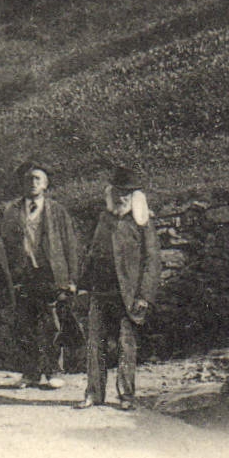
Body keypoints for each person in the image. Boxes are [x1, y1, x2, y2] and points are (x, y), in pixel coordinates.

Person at [77, 166, 160, 411]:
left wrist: (144, 295)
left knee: (126, 345)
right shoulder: (104, 219)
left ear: (135, 196)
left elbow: (152, 260)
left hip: (128, 295)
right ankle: (93, 393)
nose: (121, 197)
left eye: (127, 193)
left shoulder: (142, 222)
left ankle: (126, 395)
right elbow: (92, 254)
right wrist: (83, 286)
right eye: (117, 192)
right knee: (95, 344)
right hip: (101, 292)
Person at [0, 161, 80, 390]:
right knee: (25, 324)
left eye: (37, 179)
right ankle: (30, 372)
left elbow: (70, 244)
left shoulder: (57, 211)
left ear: (45, 184)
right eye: (29, 179)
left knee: (52, 322)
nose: (32, 183)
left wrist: (71, 278)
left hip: (50, 273)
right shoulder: (12, 211)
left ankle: (53, 370)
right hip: (23, 274)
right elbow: (3, 243)